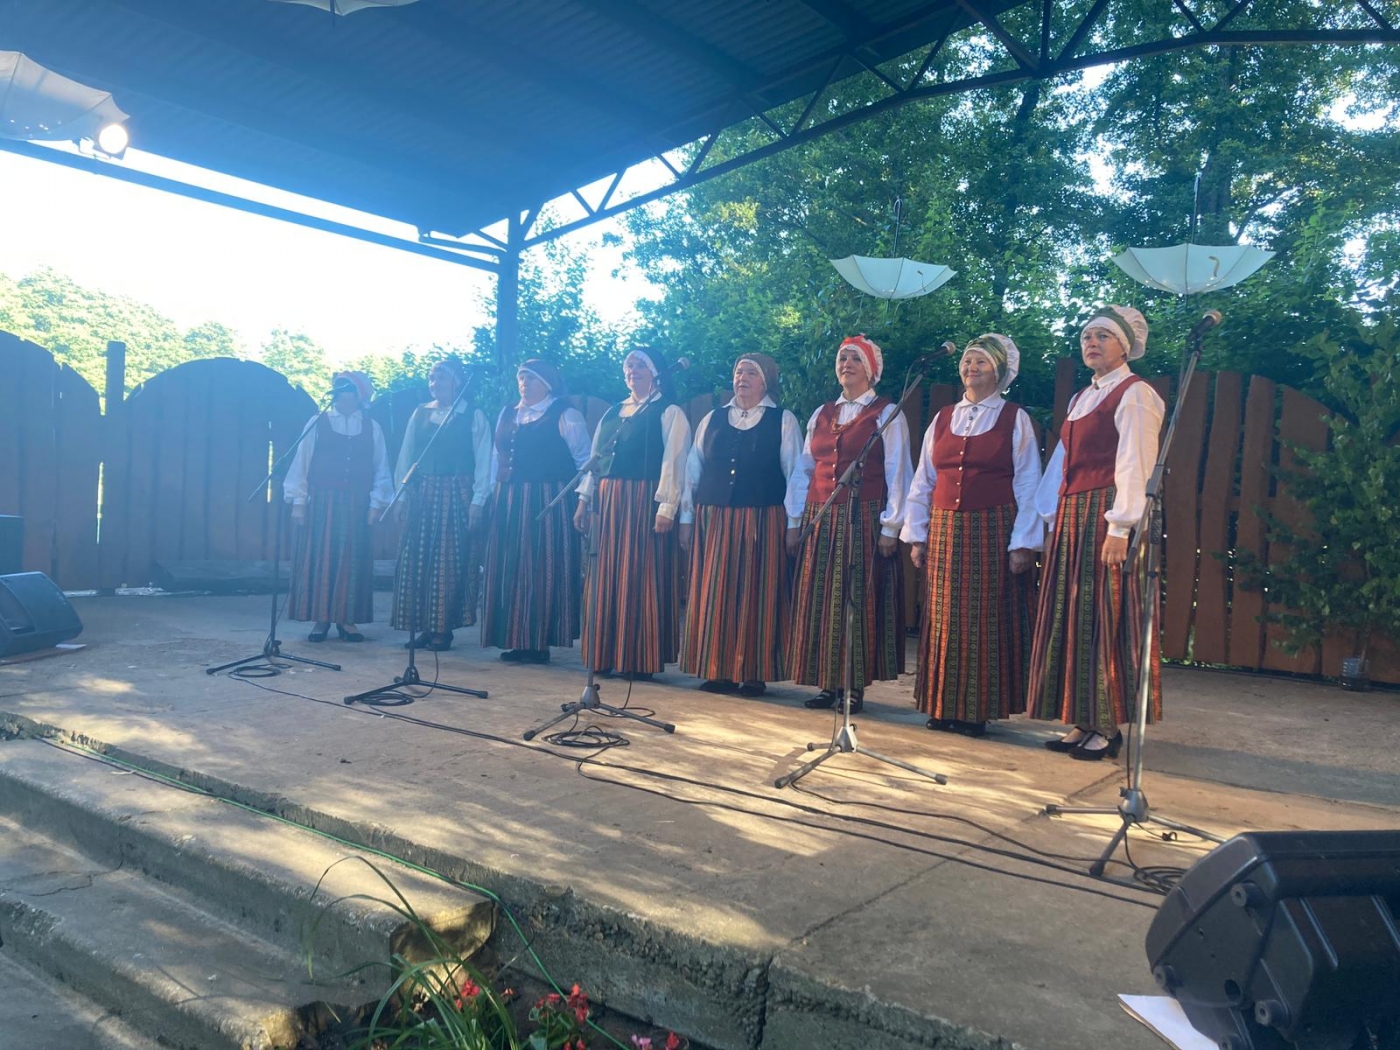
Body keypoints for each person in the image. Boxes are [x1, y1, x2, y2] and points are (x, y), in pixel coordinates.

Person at [1028, 306, 1165, 760]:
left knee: (1105, 615)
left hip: (1106, 513)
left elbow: (1136, 463)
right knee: (1075, 616)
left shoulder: (1135, 393)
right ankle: (1083, 718)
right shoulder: (1082, 398)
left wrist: (1121, 526)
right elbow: (1063, 464)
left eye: (1103, 336)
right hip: (1074, 514)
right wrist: (1052, 517)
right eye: (1088, 336)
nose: (1092, 342)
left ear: (1126, 346)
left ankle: (1107, 726)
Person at [901, 335, 1042, 737]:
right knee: (943, 617)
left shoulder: (1014, 418)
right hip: (946, 527)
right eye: (967, 361)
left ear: (999, 371)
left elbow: (1028, 482)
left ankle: (976, 709)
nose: (971, 367)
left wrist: (1023, 542)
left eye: (981, 362)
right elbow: (924, 479)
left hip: (992, 528)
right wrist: (918, 534)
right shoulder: (944, 417)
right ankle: (942, 704)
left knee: (983, 619)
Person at [786, 334, 912, 713]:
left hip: (862, 516)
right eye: (842, 358)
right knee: (821, 599)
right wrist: (795, 518)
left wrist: (891, 527)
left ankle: (852, 685)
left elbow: (898, 471)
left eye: (855, 359)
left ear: (871, 369)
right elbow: (804, 468)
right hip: (821, 515)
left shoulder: (887, 414)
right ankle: (827, 681)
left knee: (855, 598)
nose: (847, 365)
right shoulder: (822, 413)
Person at [678, 353, 803, 697]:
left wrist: (794, 523)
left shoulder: (783, 420)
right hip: (714, 516)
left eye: (751, 372)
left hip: (762, 516)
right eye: (738, 372)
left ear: (766, 381)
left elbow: (795, 474)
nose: (742, 378)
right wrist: (686, 518)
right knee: (714, 590)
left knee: (756, 592)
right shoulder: (713, 418)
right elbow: (693, 470)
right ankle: (717, 669)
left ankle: (753, 672)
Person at [574, 348, 691, 679]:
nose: (632, 370)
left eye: (640, 365)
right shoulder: (614, 412)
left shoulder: (669, 412)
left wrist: (667, 507)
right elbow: (596, 461)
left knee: (640, 576)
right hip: (609, 501)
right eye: (629, 366)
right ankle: (604, 653)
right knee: (606, 575)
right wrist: (584, 500)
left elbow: (674, 462)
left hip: (644, 500)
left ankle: (639, 658)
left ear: (656, 372)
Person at [481, 359, 592, 664]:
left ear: (547, 383)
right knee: (511, 566)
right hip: (509, 499)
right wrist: (491, 495)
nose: (524, 383)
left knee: (542, 568)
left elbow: (585, 462)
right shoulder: (508, 413)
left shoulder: (565, 414)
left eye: (530, 378)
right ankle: (515, 638)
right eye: (521, 377)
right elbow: (495, 458)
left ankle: (538, 642)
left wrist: (584, 501)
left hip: (548, 501)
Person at [390, 358, 492, 651]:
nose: (435, 384)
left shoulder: (472, 415)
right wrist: (401, 495)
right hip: (422, 493)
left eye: (442, 379)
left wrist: (478, 500)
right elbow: (406, 455)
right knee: (417, 558)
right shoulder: (421, 413)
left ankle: (443, 628)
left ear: (457, 382)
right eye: (432, 379)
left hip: (456, 493)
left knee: (448, 561)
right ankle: (423, 625)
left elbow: (484, 460)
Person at [284, 371, 393, 642]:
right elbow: (302, 462)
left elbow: (381, 468)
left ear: (358, 396)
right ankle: (321, 618)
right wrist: (299, 502)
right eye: (339, 389)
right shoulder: (318, 422)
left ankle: (347, 620)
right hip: (322, 501)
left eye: (348, 389)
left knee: (352, 562)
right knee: (321, 558)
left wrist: (376, 503)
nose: (342, 394)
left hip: (357, 503)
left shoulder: (371, 427)